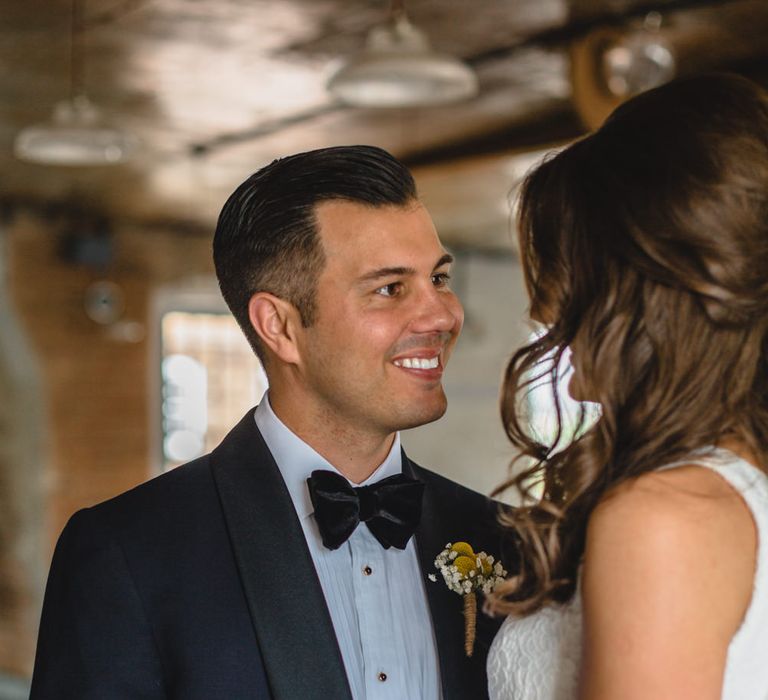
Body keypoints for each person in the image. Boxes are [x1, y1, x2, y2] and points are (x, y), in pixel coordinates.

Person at [30, 145, 506, 699]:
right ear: (278, 327)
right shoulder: (126, 554)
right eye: (390, 289)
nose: (443, 315)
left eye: (440, 279)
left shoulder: (506, 538)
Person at [486, 73, 768, 699]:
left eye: (568, 287)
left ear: (632, 296)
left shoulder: (663, 517)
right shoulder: (735, 485)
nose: (547, 317)